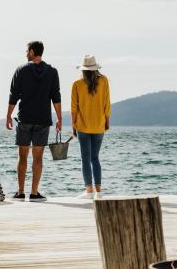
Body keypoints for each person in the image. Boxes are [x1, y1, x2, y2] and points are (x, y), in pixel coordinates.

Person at [6, 40, 62, 201]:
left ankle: (20, 192)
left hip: (25, 119)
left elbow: (13, 95)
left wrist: (9, 115)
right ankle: (34, 193)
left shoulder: (21, 70)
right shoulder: (52, 72)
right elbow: (56, 96)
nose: (25, 54)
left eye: (27, 51)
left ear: (32, 51)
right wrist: (59, 118)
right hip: (43, 120)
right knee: (38, 158)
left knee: (22, 156)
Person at [70, 54, 111, 199]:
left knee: (85, 158)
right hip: (99, 125)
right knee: (95, 157)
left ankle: (89, 191)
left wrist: (73, 126)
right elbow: (107, 104)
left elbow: (74, 109)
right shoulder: (104, 81)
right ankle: (98, 192)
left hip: (83, 126)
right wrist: (106, 121)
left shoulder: (77, 84)